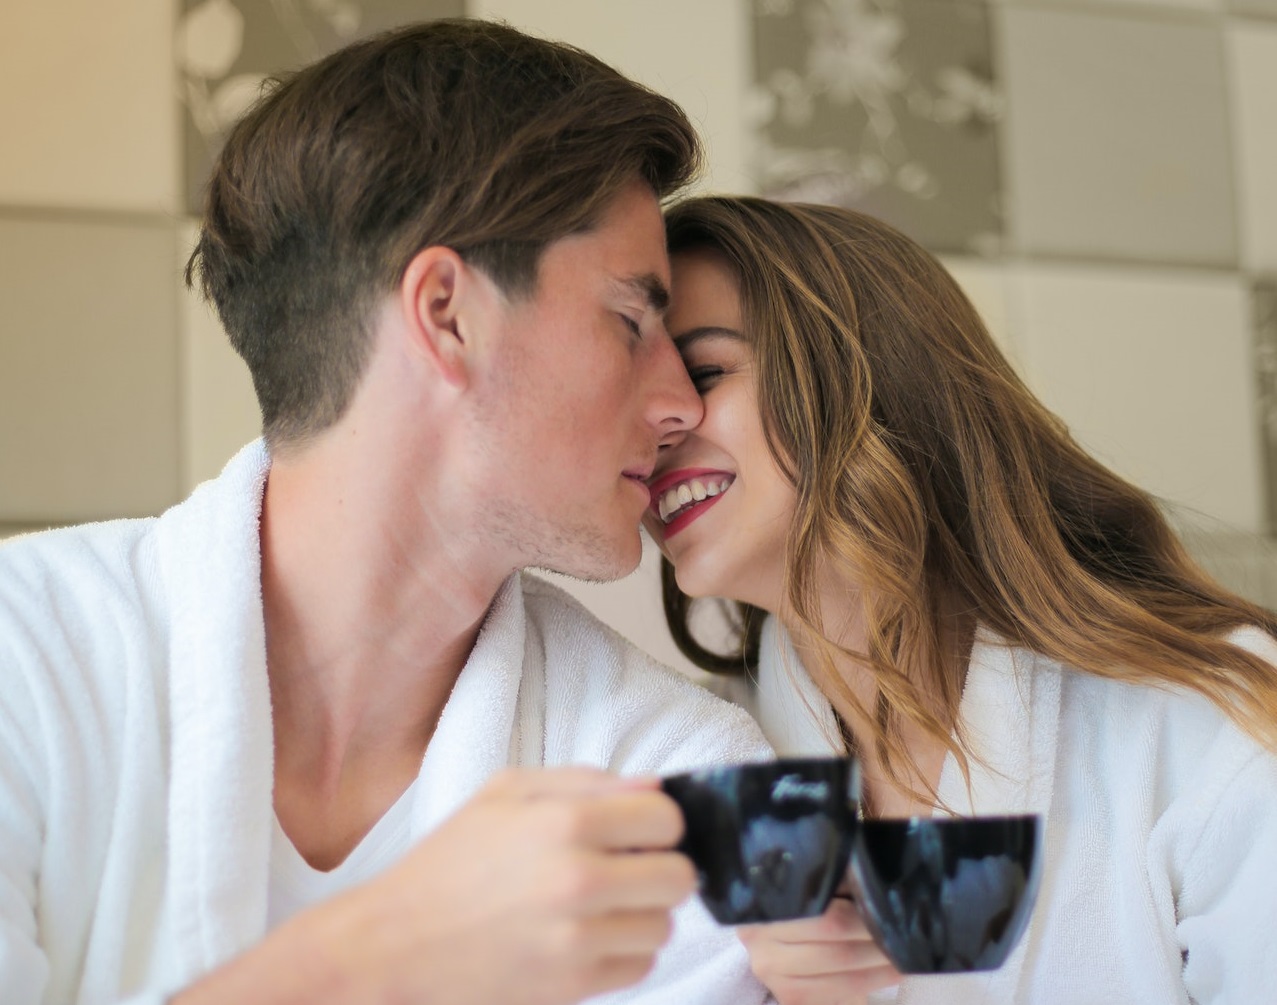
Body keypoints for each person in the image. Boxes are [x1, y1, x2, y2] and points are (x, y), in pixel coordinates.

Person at [0, 22, 778, 1005]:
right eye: (629, 321)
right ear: (447, 312)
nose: (680, 405)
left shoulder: (666, 778)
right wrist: (381, 954)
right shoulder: (23, 662)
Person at [644, 194, 1277, 1004]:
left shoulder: (1210, 728)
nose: (656, 422)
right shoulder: (691, 760)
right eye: (635, 398)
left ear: (867, 375)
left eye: (702, 373)